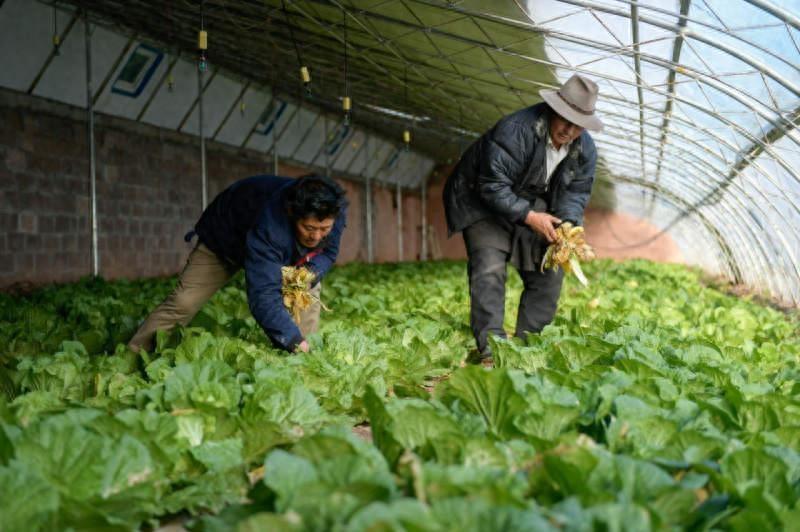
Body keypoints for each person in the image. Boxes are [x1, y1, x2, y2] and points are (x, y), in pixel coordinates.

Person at [443, 74, 603, 360]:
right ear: (552, 110)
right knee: (488, 268)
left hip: (534, 206)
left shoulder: (585, 148)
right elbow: (491, 186)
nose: (569, 130)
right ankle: (491, 351)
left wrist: (566, 225)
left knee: (550, 272)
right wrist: (530, 217)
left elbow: (576, 192)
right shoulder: (515, 130)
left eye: (578, 125)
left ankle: (529, 349)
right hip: (483, 204)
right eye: (565, 119)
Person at [128, 174, 348, 353]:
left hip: (277, 244)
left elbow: (328, 252)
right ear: (292, 214)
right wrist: (290, 339)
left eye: (324, 229)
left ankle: (303, 360)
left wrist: (310, 271)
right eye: (309, 229)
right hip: (225, 241)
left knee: (305, 289)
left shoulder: (332, 212)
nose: (317, 237)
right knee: (184, 301)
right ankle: (134, 354)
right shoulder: (271, 227)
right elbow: (263, 295)